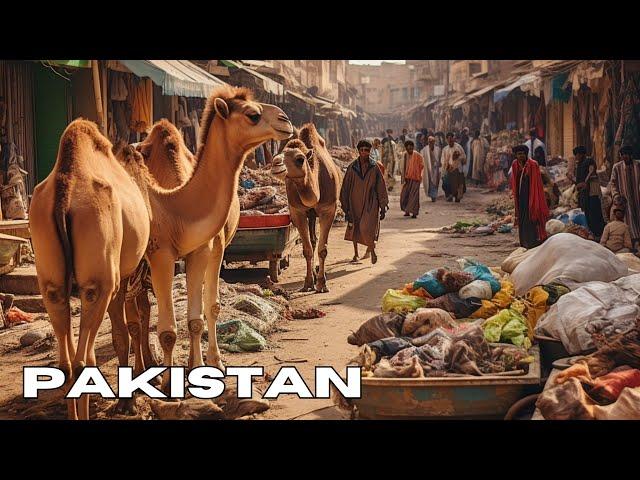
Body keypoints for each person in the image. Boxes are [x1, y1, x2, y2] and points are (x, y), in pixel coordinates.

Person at [340, 140, 389, 264]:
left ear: (369, 151)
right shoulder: (352, 167)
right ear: (358, 151)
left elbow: (381, 186)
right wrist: (345, 206)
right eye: (361, 150)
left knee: (368, 227)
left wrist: (383, 206)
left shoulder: (374, 167)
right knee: (355, 228)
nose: (364, 153)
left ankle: (371, 250)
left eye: (366, 150)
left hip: (370, 203)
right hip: (354, 201)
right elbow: (345, 187)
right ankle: (356, 253)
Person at [510, 144, 550, 249]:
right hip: (520, 196)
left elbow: (536, 183)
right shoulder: (515, 164)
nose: (521, 156)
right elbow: (515, 180)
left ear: (526, 154)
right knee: (522, 219)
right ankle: (524, 243)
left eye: (523, 154)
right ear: (515, 155)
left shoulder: (533, 164)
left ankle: (533, 242)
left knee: (531, 218)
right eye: (518, 154)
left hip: (531, 195)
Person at [609, 145, 640, 250]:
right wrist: (616, 195)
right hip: (625, 199)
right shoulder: (617, 167)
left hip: (637, 198)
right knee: (629, 221)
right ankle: (632, 244)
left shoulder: (638, 165)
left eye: (627, 154)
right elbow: (613, 183)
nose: (625, 157)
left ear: (631, 155)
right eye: (623, 155)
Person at [573, 146, 605, 239]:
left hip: (592, 193)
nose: (576, 157)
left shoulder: (589, 161)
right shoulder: (579, 165)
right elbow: (579, 181)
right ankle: (594, 235)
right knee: (588, 214)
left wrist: (584, 183)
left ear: (582, 154)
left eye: (577, 154)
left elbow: (590, 173)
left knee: (595, 213)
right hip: (585, 194)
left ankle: (599, 235)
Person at [400, 140, 425, 218]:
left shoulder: (418, 156)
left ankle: (414, 212)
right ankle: (407, 211)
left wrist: (419, 175)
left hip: (415, 178)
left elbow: (422, 166)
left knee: (414, 196)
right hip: (407, 179)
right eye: (408, 148)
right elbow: (402, 167)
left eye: (411, 148)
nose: (410, 150)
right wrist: (403, 177)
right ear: (406, 148)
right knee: (405, 195)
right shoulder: (404, 155)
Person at [441, 132, 467, 202]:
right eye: (448, 140)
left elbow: (464, 157)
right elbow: (443, 160)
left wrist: (457, 157)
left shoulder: (458, 147)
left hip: (458, 169)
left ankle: (457, 197)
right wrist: (446, 166)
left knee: (458, 184)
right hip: (449, 169)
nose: (450, 141)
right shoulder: (445, 149)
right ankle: (450, 196)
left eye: (451, 139)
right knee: (446, 184)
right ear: (446, 140)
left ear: (453, 138)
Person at [420, 135, 441, 202]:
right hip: (428, 169)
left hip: (436, 169)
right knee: (429, 182)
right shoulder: (424, 150)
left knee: (435, 182)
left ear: (434, 142)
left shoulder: (438, 149)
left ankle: (434, 196)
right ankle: (432, 195)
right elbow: (421, 159)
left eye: (432, 141)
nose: (431, 143)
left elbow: (440, 159)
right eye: (429, 141)